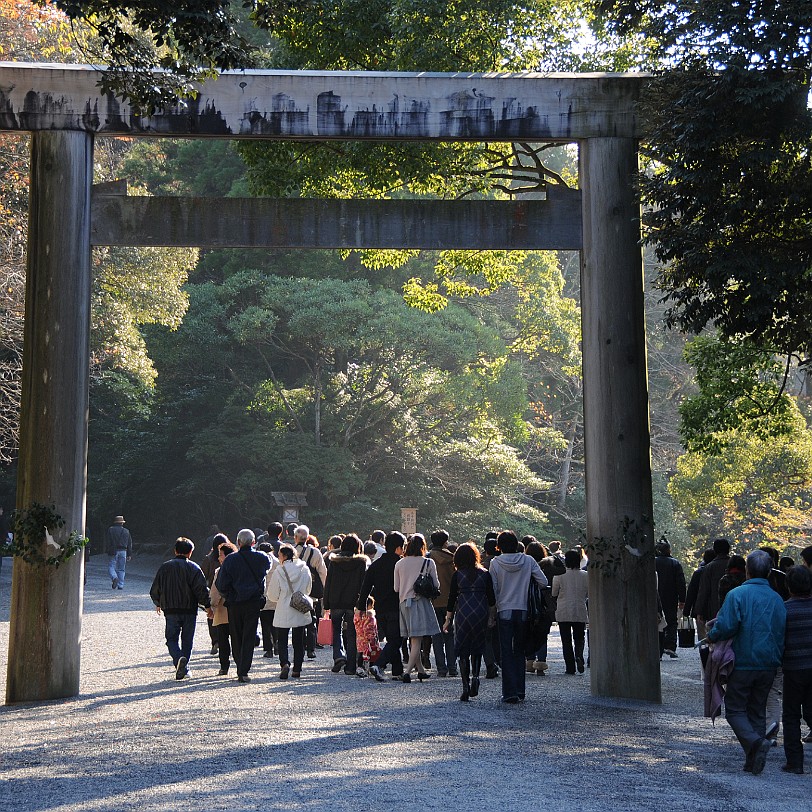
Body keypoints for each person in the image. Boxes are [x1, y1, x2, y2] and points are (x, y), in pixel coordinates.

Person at [706, 549, 786, 775]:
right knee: (757, 710)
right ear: (769, 571)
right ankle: (753, 759)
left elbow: (728, 626)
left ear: (748, 571)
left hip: (743, 660)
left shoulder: (737, 595)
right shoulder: (777, 599)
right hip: (769, 662)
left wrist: (713, 635)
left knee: (735, 709)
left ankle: (755, 744)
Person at [489, 530, 547, 703]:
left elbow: (493, 588)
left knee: (506, 652)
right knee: (519, 651)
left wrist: (492, 613)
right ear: (516, 544)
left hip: (503, 610)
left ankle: (509, 692)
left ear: (499, 546)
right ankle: (520, 690)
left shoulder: (495, 562)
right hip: (523, 610)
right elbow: (543, 581)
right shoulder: (528, 560)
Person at [149, 537, 211, 680]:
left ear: (175, 551)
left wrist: (158, 602)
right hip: (189, 609)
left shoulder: (165, 567)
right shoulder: (194, 568)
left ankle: (178, 660)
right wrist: (207, 606)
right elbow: (201, 590)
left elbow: (155, 588)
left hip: (170, 609)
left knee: (171, 639)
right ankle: (184, 664)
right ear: (190, 552)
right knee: (187, 639)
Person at [214, 528, 271, 683]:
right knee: (249, 635)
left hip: (235, 603)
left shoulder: (230, 560)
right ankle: (244, 669)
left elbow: (221, 584)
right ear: (253, 542)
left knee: (236, 635)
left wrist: (230, 595)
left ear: (238, 542)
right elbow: (267, 570)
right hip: (253, 602)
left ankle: (240, 665)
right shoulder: (262, 558)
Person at [444, 542, 495, 701]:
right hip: (480, 611)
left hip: (463, 612)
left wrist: (447, 620)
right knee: (477, 646)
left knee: (463, 648)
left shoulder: (457, 575)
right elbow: (491, 598)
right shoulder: (485, 573)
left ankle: (465, 686)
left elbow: (452, 599)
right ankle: (476, 678)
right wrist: (492, 617)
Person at [393, 533, 441, 682]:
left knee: (414, 637)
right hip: (420, 602)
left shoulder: (399, 563)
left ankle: (421, 670)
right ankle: (407, 672)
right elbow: (436, 585)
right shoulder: (428, 562)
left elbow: (396, 588)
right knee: (416, 638)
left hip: (404, 603)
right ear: (422, 546)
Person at [357, 531, 404, 680]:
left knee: (392, 639)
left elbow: (365, 588)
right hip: (397, 606)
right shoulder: (400, 564)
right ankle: (379, 665)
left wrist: (362, 607)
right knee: (396, 640)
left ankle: (397, 671)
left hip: (381, 608)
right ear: (398, 548)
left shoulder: (376, 565)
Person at [323, 533, 369, 675]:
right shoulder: (361, 563)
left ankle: (338, 656)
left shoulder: (334, 562)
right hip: (353, 603)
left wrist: (326, 604)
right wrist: (363, 604)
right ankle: (350, 666)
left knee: (336, 631)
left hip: (336, 601)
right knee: (352, 634)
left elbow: (328, 583)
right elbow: (364, 585)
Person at [781, 565, 812, 774]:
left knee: (791, 715)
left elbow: (779, 640)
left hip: (792, 667)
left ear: (789, 587)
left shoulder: (784, 609)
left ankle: (795, 761)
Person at [267, 543, 312, 679]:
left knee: (282, 639)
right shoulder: (304, 568)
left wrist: (281, 597)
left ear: (284, 556)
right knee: (299, 639)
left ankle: (284, 663)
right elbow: (308, 589)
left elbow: (273, 595)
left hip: (284, 608)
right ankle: (297, 668)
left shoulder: (279, 571)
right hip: (299, 607)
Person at [552, 549, 589, 675]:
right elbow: (589, 593)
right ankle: (579, 655)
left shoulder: (559, 575)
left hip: (563, 610)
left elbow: (554, 593)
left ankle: (570, 667)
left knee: (566, 640)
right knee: (579, 637)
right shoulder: (586, 575)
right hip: (580, 609)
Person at [294, 524, 327, 657]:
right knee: (312, 619)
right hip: (312, 591)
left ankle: (300, 645)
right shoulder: (315, 552)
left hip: (296, 589)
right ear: (307, 538)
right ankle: (311, 648)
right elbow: (323, 572)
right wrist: (325, 590)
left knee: (297, 620)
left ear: (295, 537)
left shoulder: (291, 551)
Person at [428, 529, 457, 677]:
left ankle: (441, 668)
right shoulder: (452, 559)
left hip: (432, 601)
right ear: (445, 542)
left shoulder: (428, 558)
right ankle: (453, 667)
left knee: (436, 636)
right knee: (450, 635)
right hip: (449, 602)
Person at [209, 540, 238, 675]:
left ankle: (224, 666)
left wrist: (211, 607)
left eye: (221, 554)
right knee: (237, 638)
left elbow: (215, 591)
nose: (219, 557)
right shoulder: (240, 569)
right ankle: (240, 664)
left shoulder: (220, 571)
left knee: (223, 639)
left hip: (222, 609)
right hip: (237, 608)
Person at [655, 540, 686, 659]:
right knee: (672, 621)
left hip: (656, 596)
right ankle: (670, 645)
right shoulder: (675, 563)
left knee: (658, 622)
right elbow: (680, 582)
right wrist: (682, 599)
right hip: (671, 596)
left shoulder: (653, 562)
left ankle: (659, 650)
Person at [201, 531, 228, 655]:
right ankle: (226, 642)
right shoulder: (230, 557)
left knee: (211, 616)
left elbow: (202, 575)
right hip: (226, 591)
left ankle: (215, 641)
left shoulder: (209, 559)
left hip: (212, 589)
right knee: (226, 618)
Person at [695, 537, 732, 628]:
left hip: (714, 610)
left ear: (715, 550)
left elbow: (704, 590)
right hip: (734, 609)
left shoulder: (709, 567)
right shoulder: (734, 564)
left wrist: (699, 611)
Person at [257, 540, 279, 659]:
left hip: (263, 598)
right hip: (275, 598)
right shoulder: (277, 562)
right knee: (275, 624)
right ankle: (277, 643)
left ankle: (268, 649)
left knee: (265, 625)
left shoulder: (258, 562)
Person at [354, 595, 382, 678]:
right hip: (369, 639)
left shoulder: (357, 615)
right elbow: (370, 628)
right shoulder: (370, 616)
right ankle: (372, 668)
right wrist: (371, 638)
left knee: (361, 653)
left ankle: (359, 668)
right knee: (372, 654)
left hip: (359, 637)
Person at [104, 515, 132, 590]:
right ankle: (121, 585)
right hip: (124, 551)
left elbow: (108, 541)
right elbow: (129, 543)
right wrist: (129, 554)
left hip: (113, 550)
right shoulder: (126, 531)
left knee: (111, 566)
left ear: (115, 523)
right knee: (121, 569)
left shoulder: (111, 530)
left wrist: (107, 550)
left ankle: (114, 577)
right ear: (122, 523)